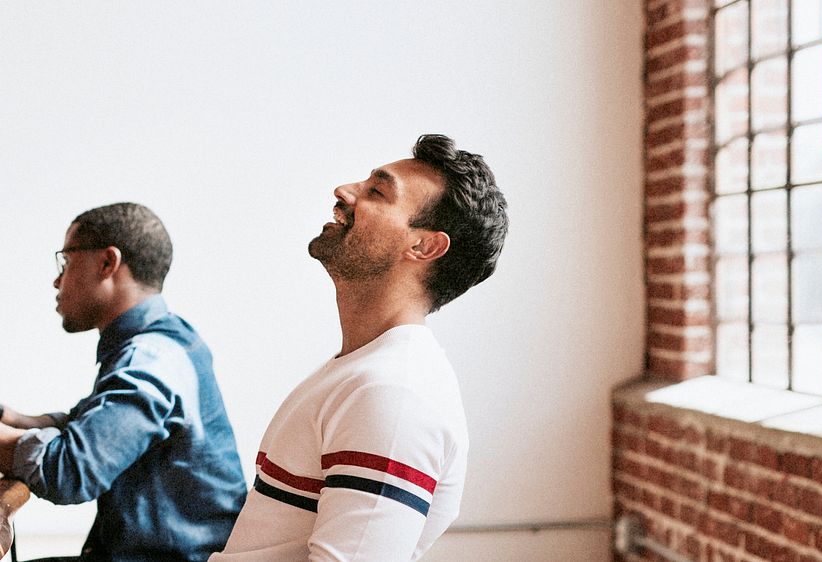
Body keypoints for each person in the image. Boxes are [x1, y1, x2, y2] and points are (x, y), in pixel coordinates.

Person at [211, 134, 509, 561]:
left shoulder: (393, 394)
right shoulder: (365, 373)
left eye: (377, 192)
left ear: (423, 246)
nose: (344, 191)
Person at [0, 203, 247, 561]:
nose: (57, 280)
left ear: (106, 263)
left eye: (65, 262)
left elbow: (70, 469)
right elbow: (91, 424)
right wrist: (20, 420)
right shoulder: (170, 339)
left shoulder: (150, 359)